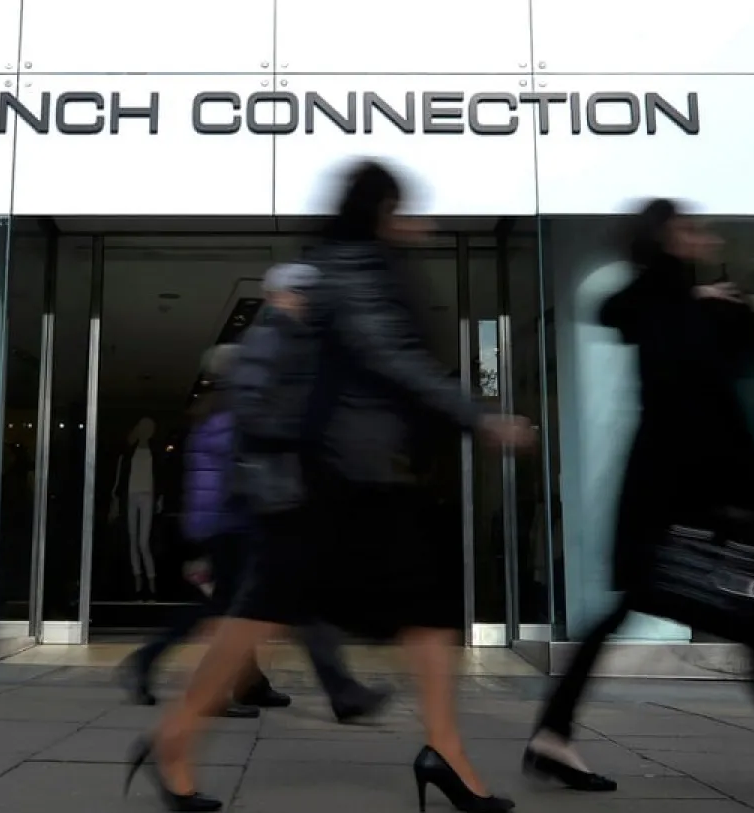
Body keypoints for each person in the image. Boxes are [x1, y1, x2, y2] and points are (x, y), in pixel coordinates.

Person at [125, 159, 534, 812]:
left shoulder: (351, 267)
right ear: (379, 212)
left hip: (349, 475)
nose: (419, 223)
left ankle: (443, 748)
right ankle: (175, 736)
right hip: (340, 479)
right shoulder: (356, 269)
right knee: (273, 610)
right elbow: (390, 357)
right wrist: (479, 414)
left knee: (397, 607)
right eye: (405, 209)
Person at [526, 199, 754, 801]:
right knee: (745, 621)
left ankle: (554, 733)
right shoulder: (673, 308)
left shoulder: (670, 305)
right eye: (691, 229)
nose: (705, 237)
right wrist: (732, 502)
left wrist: (708, 310)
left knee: (710, 618)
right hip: (692, 501)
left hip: (670, 496)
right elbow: (694, 406)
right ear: (666, 238)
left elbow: (646, 332)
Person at [118, 343, 387, 722]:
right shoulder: (233, 416)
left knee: (243, 610)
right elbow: (253, 471)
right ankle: (335, 694)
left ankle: (247, 682)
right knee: (272, 609)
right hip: (238, 528)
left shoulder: (218, 412)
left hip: (231, 527)